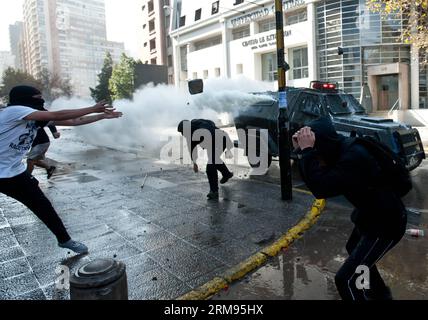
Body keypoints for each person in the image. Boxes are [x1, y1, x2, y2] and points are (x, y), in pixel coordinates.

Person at [293, 117, 407, 301]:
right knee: (354, 248)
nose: (318, 159)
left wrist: (307, 152)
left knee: (345, 280)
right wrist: (302, 151)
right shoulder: (339, 150)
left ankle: (376, 295)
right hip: (371, 217)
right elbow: (317, 182)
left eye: (317, 151)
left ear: (323, 146)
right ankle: (380, 296)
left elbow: (321, 188)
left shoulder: (352, 158)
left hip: (386, 225)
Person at [0, 85, 123, 254]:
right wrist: (92, 108)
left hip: (14, 173)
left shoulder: (34, 118)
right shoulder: (14, 111)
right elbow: (57, 114)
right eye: (37, 97)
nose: (41, 100)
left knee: (42, 205)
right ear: (25, 98)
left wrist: (102, 115)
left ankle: (64, 240)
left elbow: (73, 121)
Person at [178, 119, 233, 200]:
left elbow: (211, 125)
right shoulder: (190, 134)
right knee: (214, 160)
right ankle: (227, 174)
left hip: (220, 139)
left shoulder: (202, 127)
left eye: (183, 132)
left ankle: (214, 192)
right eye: (181, 133)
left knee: (211, 165)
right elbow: (192, 149)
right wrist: (194, 163)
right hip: (211, 144)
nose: (183, 134)